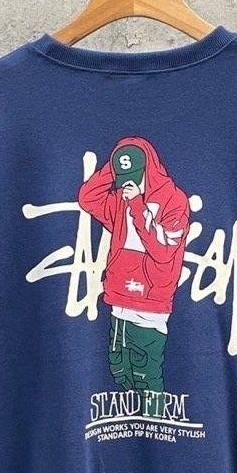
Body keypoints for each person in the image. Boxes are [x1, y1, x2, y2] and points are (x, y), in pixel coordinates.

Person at [78, 137, 189, 398]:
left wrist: (138, 205)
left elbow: (163, 249)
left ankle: (155, 417)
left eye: (134, 176)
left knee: (147, 379)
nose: (128, 184)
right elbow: (88, 198)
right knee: (119, 372)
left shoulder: (174, 200)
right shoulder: (120, 199)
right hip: (118, 301)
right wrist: (115, 166)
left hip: (150, 307)